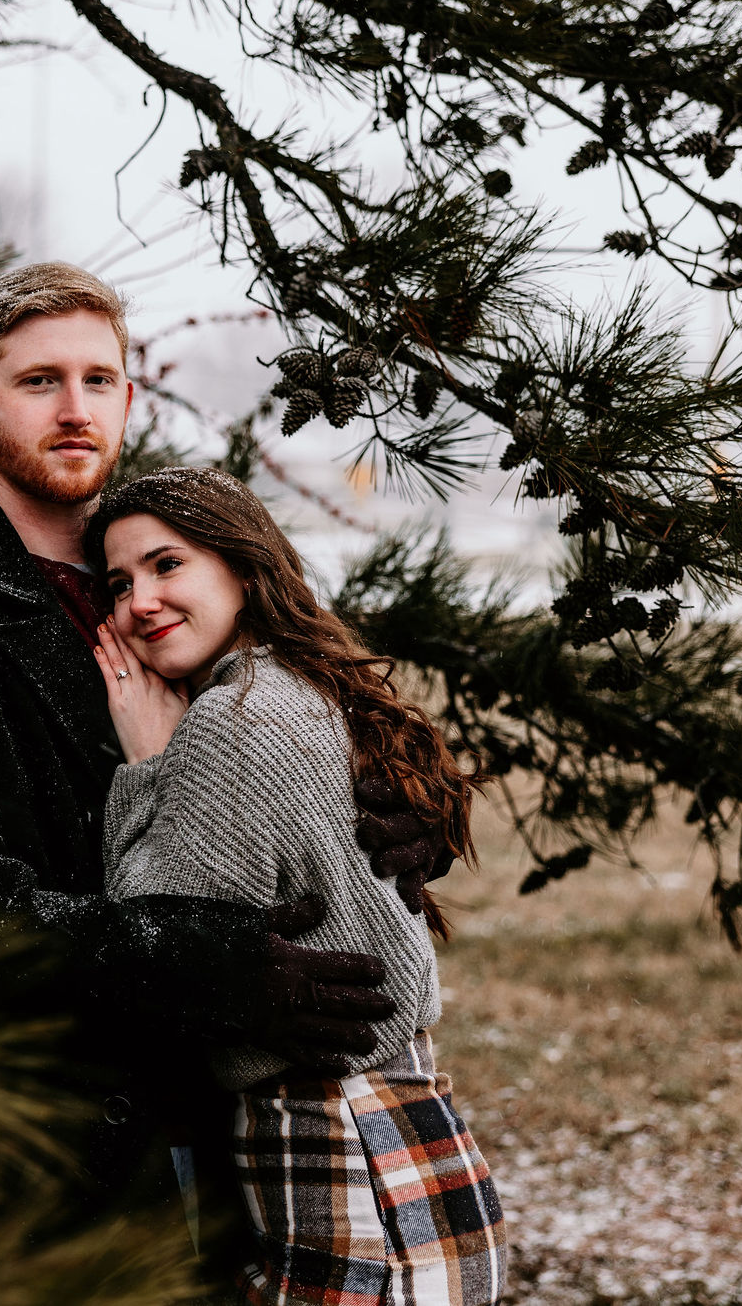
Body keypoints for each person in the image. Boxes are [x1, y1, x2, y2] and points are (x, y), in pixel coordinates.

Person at [0, 262, 462, 1258]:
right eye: (37, 381)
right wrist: (201, 959)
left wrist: (395, 810)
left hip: (243, 1154)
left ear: (126, 398)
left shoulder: (178, 575)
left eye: (96, 379)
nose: (73, 407)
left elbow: (295, 727)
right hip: (39, 1167)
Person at [84, 466, 505, 1306]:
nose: (139, 601)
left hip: (340, 1165)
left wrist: (145, 767)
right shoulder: (314, 687)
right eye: (120, 582)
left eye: (168, 565)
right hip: (414, 1144)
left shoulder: (228, 722)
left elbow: (157, 933)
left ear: (241, 566)